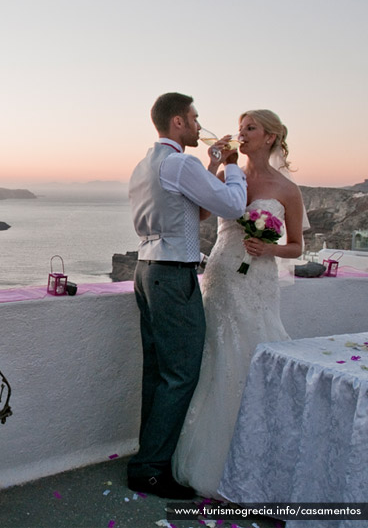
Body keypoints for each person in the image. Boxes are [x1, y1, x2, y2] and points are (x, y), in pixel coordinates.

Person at [172, 109, 305, 499]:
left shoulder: (287, 189)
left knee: (254, 358)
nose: (241, 134)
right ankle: (209, 462)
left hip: (259, 283)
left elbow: (297, 246)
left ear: (271, 137)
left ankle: (258, 459)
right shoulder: (231, 175)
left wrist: (270, 248)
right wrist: (214, 166)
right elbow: (199, 214)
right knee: (218, 358)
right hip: (222, 275)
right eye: (240, 127)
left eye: (251, 128)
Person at [127, 92, 248, 499]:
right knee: (181, 372)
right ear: (177, 122)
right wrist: (231, 167)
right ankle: (151, 469)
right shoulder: (180, 162)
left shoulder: (146, 164)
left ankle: (149, 459)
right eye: (195, 119)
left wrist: (211, 165)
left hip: (146, 271)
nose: (199, 125)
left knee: (158, 371)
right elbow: (230, 205)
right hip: (173, 276)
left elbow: (194, 212)